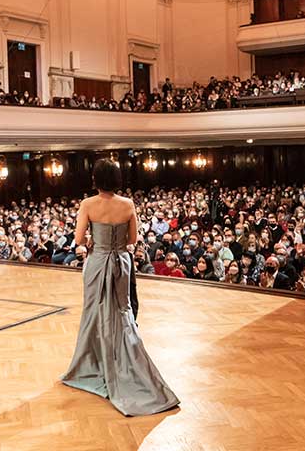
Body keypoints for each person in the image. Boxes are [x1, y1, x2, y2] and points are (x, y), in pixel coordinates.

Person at [61, 159, 179, 416]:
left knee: (94, 311)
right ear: (117, 179)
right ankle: (127, 359)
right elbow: (132, 239)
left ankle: (94, 363)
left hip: (97, 261)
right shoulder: (127, 204)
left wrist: (92, 239)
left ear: (95, 179)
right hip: (121, 263)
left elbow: (79, 239)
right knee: (122, 311)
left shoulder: (88, 204)